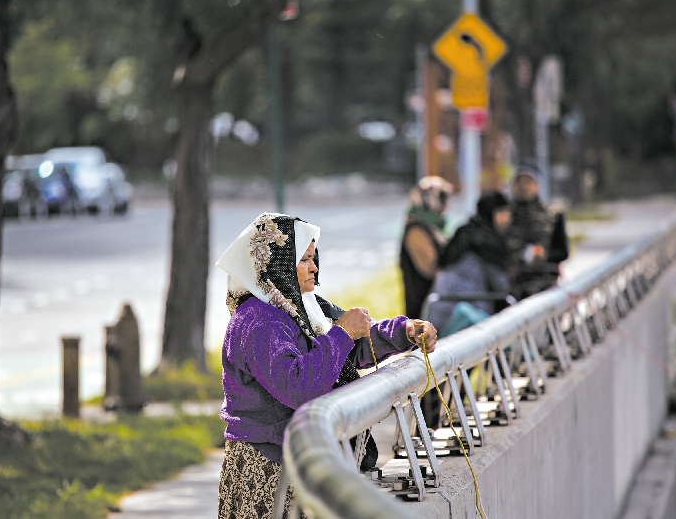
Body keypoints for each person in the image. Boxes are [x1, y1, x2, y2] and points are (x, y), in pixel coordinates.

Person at [216, 213, 437, 519]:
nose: (314, 267)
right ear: (276, 262)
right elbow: (296, 385)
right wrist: (342, 333)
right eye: (304, 259)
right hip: (267, 469)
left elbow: (347, 349)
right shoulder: (258, 320)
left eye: (313, 257)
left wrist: (405, 332)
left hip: (296, 458)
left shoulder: (301, 306)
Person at [425, 190, 513, 335]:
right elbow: (501, 287)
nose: (507, 219)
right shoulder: (489, 242)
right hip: (466, 318)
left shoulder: (464, 231)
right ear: (490, 213)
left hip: (437, 315)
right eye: (502, 213)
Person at [506, 161, 570, 301]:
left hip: (543, 283)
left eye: (528, 181)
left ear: (538, 185)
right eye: (519, 182)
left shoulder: (553, 215)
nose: (523, 186)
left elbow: (563, 251)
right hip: (510, 285)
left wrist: (544, 255)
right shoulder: (504, 214)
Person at [399, 176, 454, 319]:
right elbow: (431, 270)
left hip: (437, 307)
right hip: (424, 312)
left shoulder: (434, 226)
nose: (446, 207)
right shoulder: (416, 230)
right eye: (444, 200)